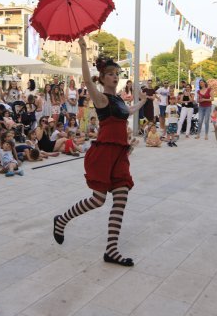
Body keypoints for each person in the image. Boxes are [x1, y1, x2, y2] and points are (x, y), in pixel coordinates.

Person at [53, 36, 147, 267]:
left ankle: (111, 250)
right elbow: (85, 78)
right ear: (103, 78)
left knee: (121, 197)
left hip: (120, 154)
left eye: (117, 74)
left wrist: (143, 101)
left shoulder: (119, 100)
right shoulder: (102, 98)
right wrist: (84, 52)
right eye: (111, 74)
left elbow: (128, 110)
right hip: (104, 153)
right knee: (98, 200)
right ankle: (62, 219)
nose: (115, 77)